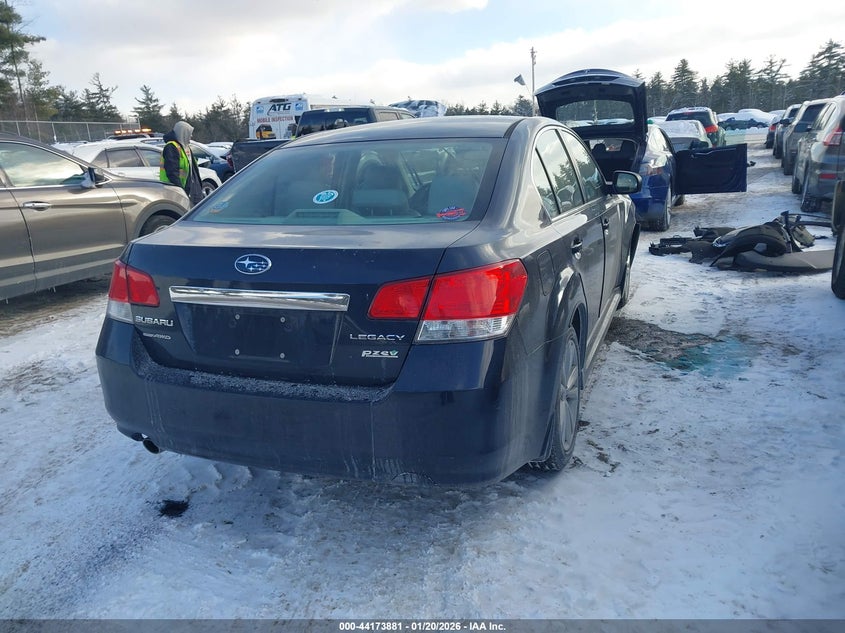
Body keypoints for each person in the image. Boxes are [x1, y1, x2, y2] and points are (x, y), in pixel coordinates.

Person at [160, 120, 203, 205]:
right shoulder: (171, 147)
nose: (191, 135)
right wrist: (180, 190)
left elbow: (191, 168)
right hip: (180, 190)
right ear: (183, 133)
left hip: (191, 189)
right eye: (189, 133)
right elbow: (172, 171)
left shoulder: (185, 147)